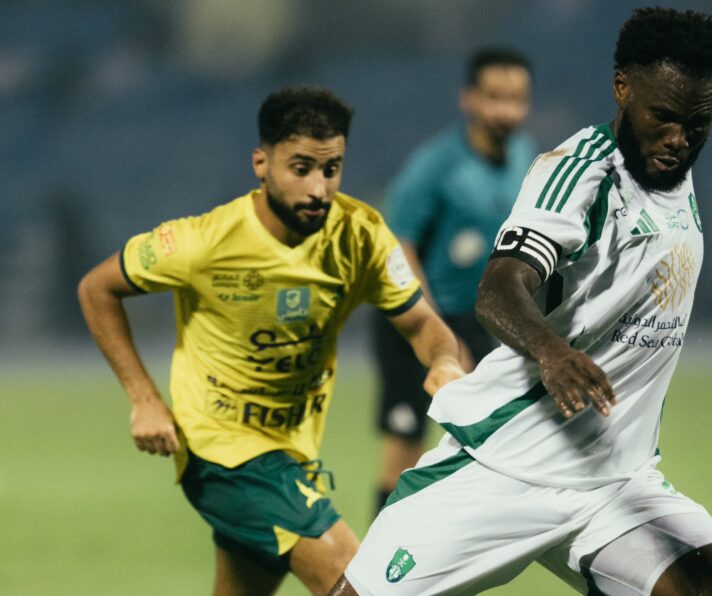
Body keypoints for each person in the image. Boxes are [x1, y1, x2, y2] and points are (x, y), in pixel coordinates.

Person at [331, 8, 712, 596]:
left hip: (615, 485)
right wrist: (550, 351)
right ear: (622, 88)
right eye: (663, 117)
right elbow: (499, 287)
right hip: (506, 468)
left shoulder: (672, 173)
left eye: (697, 125)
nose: (678, 139)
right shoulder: (582, 174)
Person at [77, 86, 465, 595]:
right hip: (220, 453)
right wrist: (143, 398)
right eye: (300, 168)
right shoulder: (204, 241)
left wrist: (444, 360)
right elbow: (97, 288)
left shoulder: (360, 235)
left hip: (290, 455)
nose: (318, 188)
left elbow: (421, 324)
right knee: (364, 584)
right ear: (261, 164)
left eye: (331, 169)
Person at [370, 47, 535, 513]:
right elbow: (398, 247)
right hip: (416, 319)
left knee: (493, 445)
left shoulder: (524, 155)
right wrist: (435, 332)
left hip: (479, 321)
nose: (506, 110)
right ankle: (379, 555)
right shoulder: (435, 166)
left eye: (517, 99)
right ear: (469, 99)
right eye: (495, 97)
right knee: (405, 447)